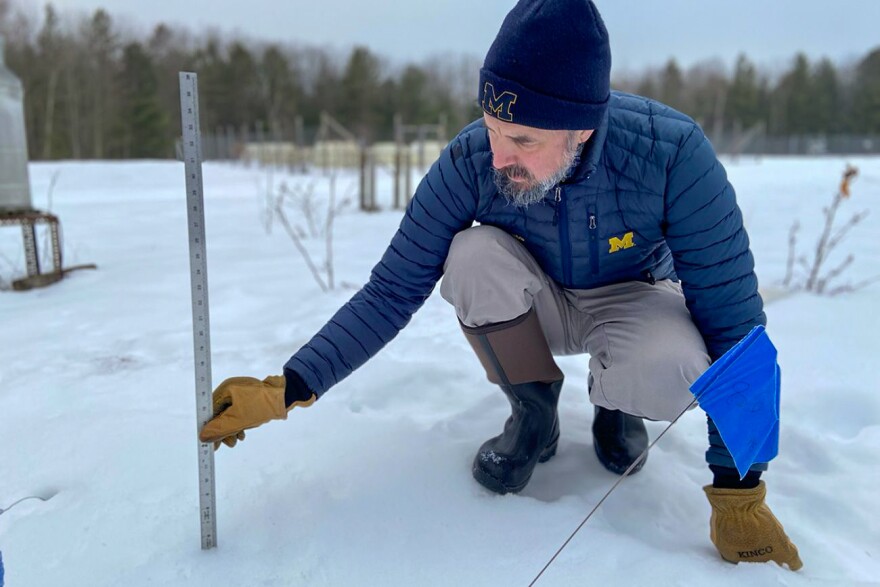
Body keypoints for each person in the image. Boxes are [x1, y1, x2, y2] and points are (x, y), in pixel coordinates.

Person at [199, 0, 802, 571]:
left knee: (676, 367)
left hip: (633, 299)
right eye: (492, 127)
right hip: (533, 301)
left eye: (523, 140)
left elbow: (736, 324)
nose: (498, 154)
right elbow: (392, 289)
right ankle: (533, 412)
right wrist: (291, 385)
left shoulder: (670, 154)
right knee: (471, 254)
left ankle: (615, 406)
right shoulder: (470, 162)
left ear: (582, 129)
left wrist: (738, 492)